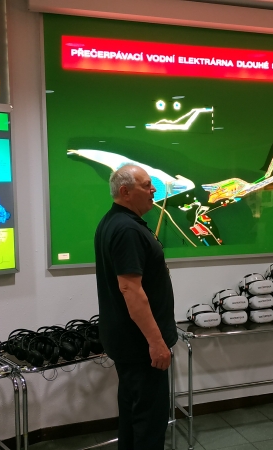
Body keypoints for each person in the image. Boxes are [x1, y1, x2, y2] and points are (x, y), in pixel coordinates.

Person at [94, 163, 178, 449]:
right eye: (146, 185)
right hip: (141, 346)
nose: (153, 189)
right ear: (125, 191)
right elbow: (130, 290)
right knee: (149, 421)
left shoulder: (114, 222)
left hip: (129, 342)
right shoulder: (127, 229)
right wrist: (156, 342)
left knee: (133, 414)